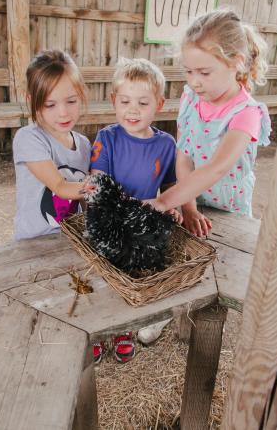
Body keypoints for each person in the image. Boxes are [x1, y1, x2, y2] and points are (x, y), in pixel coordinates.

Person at [90, 57, 178, 363]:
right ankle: (98, 329)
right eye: (125, 100)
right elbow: (99, 178)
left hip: (142, 220)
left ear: (159, 104)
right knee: (104, 275)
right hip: (110, 218)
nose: (133, 109)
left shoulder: (166, 145)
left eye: (143, 102)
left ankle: (125, 328)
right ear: (114, 100)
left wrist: (172, 206)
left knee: (132, 275)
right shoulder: (107, 138)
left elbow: (168, 186)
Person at [152, 8, 271, 232]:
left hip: (231, 211)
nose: (195, 82)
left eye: (204, 73)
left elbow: (216, 168)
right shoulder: (190, 98)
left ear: (236, 62)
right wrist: (188, 206)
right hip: (194, 200)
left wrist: (163, 201)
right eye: (189, 71)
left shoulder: (246, 113)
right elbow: (184, 156)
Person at [13, 49, 91, 241]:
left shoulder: (84, 144)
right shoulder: (29, 138)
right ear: (32, 101)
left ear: (81, 94)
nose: (63, 113)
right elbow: (60, 186)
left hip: (73, 240)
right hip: (35, 242)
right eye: (50, 105)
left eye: (71, 101)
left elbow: (83, 201)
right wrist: (100, 189)